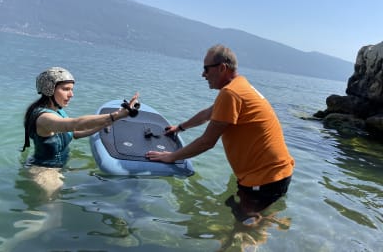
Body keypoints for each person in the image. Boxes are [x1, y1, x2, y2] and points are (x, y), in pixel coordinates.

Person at [146, 44, 294, 225]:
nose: (203, 75)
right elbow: (208, 114)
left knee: (243, 230)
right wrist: (180, 127)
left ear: (222, 68)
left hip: (265, 179)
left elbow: (207, 142)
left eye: (206, 69)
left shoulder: (231, 93)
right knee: (234, 211)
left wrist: (171, 157)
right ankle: (267, 223)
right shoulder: (240, 86)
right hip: (274, 175)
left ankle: (257, 233)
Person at [22, 66, 139, 195]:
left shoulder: (58, 111)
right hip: (45, 172)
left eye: (71, 90)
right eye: (66, 89)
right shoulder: (44, 118)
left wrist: (107, 122)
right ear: (49, 89)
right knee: (52, 212)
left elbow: (74, 133)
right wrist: (115, 115)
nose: (71, 94)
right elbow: (75, 124)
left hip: (59, 166)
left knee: (104, 182)